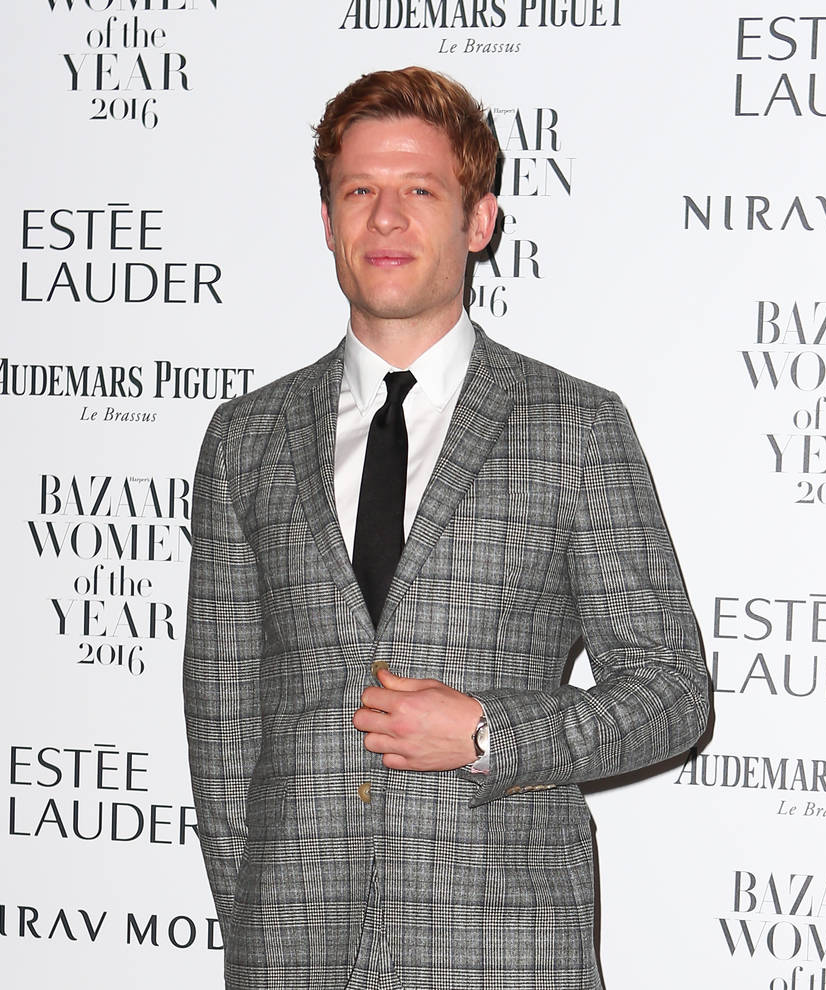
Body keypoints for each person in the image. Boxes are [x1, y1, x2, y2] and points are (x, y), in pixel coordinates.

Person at [184, 66, 709, 990]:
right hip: (293, 954)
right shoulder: (246, 437)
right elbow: (223, 726)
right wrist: (260, 926)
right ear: (328, 221)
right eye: (360, 191)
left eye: (420, 191)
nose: (386, 218)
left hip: (504, 950)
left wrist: (490, 736)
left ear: (479, 221)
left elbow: (672, 691)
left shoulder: (573, 425)